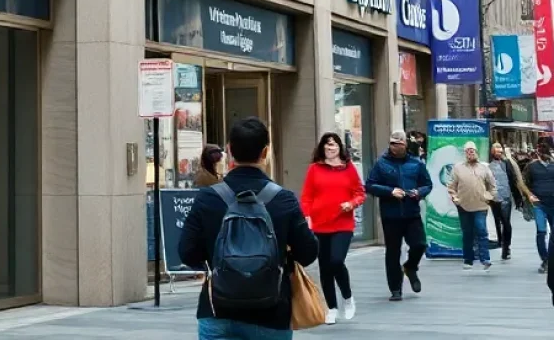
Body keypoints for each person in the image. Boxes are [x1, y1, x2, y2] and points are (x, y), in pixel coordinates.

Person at [179, 116, 318, 340]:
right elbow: (309, 253)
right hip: (272, 312)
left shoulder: (207, 198)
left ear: (229, 150)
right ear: (265, 153)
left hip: (216, 311)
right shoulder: (284, 200)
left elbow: (186, 252)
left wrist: (215, 261)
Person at [300, 132, 365, 324]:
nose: (330, 148)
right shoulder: (314, 169)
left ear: (340, 148)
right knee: (325, 267)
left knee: (336, 261)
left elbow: (360, 193)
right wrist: (307, 217)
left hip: (343, 223)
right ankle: (331, 308)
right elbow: (307, 196)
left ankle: (348, 297)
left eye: (334, 145)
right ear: (322, 148)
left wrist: (351, 204)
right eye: (327, 145)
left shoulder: (349, 168)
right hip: (320, 224)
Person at [365, 129, 432, 301]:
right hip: (391, 215)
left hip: (411, 212)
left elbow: (428, 184)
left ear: (405, 145)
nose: (395, 147)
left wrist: (419, 192)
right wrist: (390, 191)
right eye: (392, 144)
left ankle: (410, 267)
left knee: (420, 244)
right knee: (393, 252)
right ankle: (395, 289)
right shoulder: (381, 163)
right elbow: (370, 185)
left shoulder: (416, 163)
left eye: (398, 144)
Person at [448, 141, 498, 270]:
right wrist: (455, 198)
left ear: (476, 152)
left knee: (481, 230)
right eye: (468, 151)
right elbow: (451, 186)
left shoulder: (484, 167)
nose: (470, 153)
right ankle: (468, 259)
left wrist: (488, 197)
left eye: (473, 150)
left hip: (480, 206)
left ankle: (485, 259)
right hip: (463, 206)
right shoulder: (458, 168)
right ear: (465, 153)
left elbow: (492, 185)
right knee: (467, 233)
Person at [489, 142, 527, 259]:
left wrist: (518, 197)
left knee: (506, 222)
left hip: (505, 197)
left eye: (500, 151)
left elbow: (514, 179)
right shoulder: (488, 164)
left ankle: (506, 247)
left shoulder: (507, 163)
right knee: (496, 221)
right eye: (497, 151)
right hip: (493, 198)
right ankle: (500, 241)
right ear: (492, 152)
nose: (499, 153)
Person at [525, 140, 554, 272]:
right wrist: (529, 195)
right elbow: (525, 182)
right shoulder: (531, 167)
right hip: (539, 204)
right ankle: (545, 260)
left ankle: (550, 259)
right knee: (541, 232)